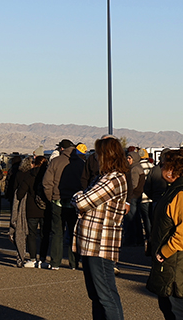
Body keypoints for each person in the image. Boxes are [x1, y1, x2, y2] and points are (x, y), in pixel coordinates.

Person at [146, 149, 183, 320]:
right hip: (175, 264)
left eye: (163, 165)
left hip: (178, 266)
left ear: (171, 169)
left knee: (180, 311)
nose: (160, 168)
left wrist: (163, 252)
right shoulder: (177, 189)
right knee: (171, 309)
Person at [72, 137, 129, 320]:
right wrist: (81, 196)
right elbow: (85, 198)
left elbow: (82, 202)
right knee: (96, 296)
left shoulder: (113, 179)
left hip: (100, 245)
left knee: (106, 296)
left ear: (107, 155)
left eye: (97, 153)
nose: (95, 157)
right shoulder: (101, 177)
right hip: (91, 243)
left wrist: (79, 196)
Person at [44, 139, 80, 270]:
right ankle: (74, 262)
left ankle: (55, 262)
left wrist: (51, 197)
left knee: (57, 232)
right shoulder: (81, 163)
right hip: (75, 202)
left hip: (57, 201)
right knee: (73, 233)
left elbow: (47, 182)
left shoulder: (55, 162)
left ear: (62, 149)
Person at [12, 155, 47, 268]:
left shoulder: (29, 175)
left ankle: (32, 258)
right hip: (45, 209)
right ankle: (43, 258)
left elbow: (20, 193)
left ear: (34, 163)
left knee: (32, 235)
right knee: (44, 235)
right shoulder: (47, 175)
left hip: (31, 209)